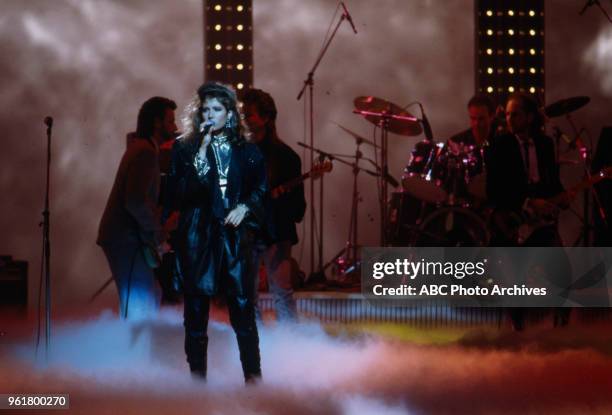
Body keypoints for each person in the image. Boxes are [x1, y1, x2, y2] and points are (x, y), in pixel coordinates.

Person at [163, 82, 266, 383]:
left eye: (217, 109)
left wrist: (245, 208)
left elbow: (260, 189)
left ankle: (253, 379)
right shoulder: (184, 148)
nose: (210, 114)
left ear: (230, 114)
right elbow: (175, 195)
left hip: (234, 237)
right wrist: (201, 154)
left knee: (243, 311)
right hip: (198, 235)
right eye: (206, 109)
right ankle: (197, 381)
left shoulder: (247, 150)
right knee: (195, 313)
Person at [486, 93, 573, 330]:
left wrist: (563, 196)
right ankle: (518, 329)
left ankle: (562, 326)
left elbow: (551, 182)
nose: (510, 119)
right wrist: (528, 202)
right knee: (516, 280)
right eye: (507, 114)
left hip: (540, 223)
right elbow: (495, 189)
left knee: (562, 272)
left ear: (530, 116)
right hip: (513, 220)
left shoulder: (545, 144)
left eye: (515, 114)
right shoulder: (499, 146)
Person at [97, 96, 177, 320]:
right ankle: (136, 354)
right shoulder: (145, 152)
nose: (175, 126)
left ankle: (137, 352)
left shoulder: (142, 149)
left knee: (147, 297)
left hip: (126, 239)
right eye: (170, 121)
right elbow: (135, 201)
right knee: (141, 304)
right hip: (126, 240)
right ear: (157, 122)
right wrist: (160, 231)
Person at [242, 88, 306, 322]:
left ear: (266, 118)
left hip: (275, 234)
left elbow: (298, 208)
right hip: (246, 232)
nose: (244, 120)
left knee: (282, 292)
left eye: (249, 115)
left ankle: (290, 347)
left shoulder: (287, 157)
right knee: (246, 294)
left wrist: (279, 202)